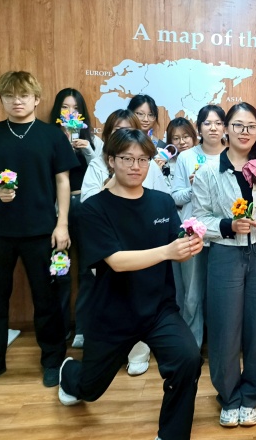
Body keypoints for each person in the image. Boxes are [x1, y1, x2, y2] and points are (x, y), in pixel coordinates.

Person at [59, 128, 203, 440]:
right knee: (89, 389)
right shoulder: (92, 209)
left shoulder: (162, 203)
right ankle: (69, 374)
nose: (136, 166)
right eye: (127, 158)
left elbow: (177, 245)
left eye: (143, 159)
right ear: (111, 160)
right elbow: (116, 261)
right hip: (112, 313)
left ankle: (171, 435)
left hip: (158, 309)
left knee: (187, 359)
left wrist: (190, 245)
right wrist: (168, 251)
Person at [0, 71, 78, 392]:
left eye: (23, 95)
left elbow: (63, 181)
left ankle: (53, 360)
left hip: (42, 231)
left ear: (36, 99)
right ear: (1, 99)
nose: (16, 101)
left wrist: (62, 224)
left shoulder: (52, 136)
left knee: (47, 299)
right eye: (9, 96)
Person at [192, 102, 256, 428]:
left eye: (251, 127)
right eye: (238, 125)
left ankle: (253, 394)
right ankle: (229, 396)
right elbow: (200, 219)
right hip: (225, 253)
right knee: (224, 327)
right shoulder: (208, 172)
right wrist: (227, 225)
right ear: (226, 129)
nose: (245, 132)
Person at [80, 109, 169, 376]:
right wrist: (112, 184)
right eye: (118, 131)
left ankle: (138, 353)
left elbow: (161, 200)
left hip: (147, 246)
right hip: (110, 247)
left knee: (144, 298)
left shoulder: (148, 165)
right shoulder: (100, 165)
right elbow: (88, 202)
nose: (135, 165)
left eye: (130, 129)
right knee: (114, 303)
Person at [48, 88, 103, 346]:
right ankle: (59, 328)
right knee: (59, 269)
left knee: (86, 270)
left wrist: (87, 150)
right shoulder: (48, 137)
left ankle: (83, 327)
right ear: (57, 111)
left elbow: (103, 171)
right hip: (56, 211)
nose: (70, 113)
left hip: (85, 207)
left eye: (76, 108)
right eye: (65, 107)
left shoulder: (92, 139)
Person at [171, 105, 226, 348]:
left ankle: (221, 346)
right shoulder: (187, 157)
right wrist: (194, 187)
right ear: (199, 128)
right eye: (207, 123)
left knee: (222, 294)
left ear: (225, 127)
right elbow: (175, 196)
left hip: (224, 235)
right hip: (193, 234)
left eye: (218, 123)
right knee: (191, 295)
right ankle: (191, 347)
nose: (213, 128)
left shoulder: (233, 154)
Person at [160, 117, 197, 187]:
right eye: (176, 138)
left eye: (186, 137)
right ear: (170, 141)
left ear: (193, 136)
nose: (182, 142)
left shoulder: (203, 158)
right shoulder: (167, 165)